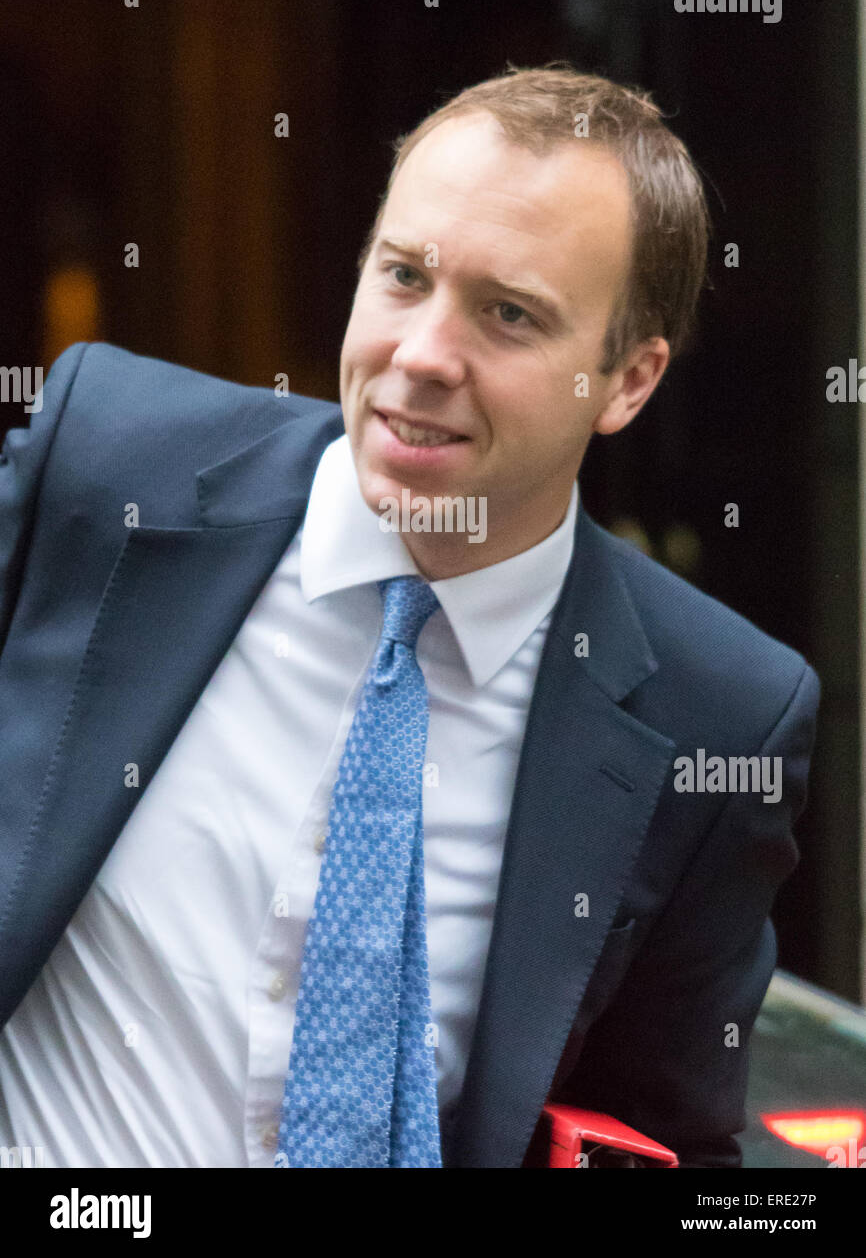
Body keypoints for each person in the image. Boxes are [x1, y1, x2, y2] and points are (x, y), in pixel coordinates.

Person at [0, 63, 820, 1168]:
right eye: (403, 276)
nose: (422, 355)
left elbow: (664, 1139)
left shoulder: (718, 714)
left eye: (509, 314)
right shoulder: (106, 466)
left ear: (626, 381)